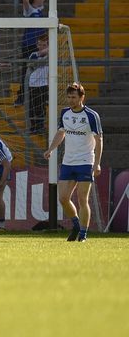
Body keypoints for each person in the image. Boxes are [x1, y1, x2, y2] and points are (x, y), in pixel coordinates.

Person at [43, 82, 102, 242]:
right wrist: (51, 149)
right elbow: (61, 133)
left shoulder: (91, 115)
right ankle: (76, 224)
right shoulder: (64, 113)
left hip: (85, 162)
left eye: (73, 97)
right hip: (68, 162)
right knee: (63, 198)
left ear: (82, 97)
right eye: (68, 97)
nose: (70, 100)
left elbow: (99, 140)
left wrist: (97, 163)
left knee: (83, 199)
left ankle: (83, 234)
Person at [15, 0, 47, 106]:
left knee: (40, 69)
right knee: (26, 70)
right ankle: (22, 96)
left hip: (40, 45)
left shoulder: (40, 10)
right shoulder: (30, 11)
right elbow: (25, 0)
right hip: (29, 44)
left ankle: (41, 95)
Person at [27, 35, 48, 134]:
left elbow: (43, 62)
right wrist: (42, 53)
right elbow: (32, 63)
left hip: (44, 84)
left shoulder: (51, 55)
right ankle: (33, 126)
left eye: (44, 45)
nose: (41, 46)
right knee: (32, 107)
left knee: (41, 107)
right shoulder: (33, 54)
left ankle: (40, 126)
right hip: (32, 84)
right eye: (39, 44)